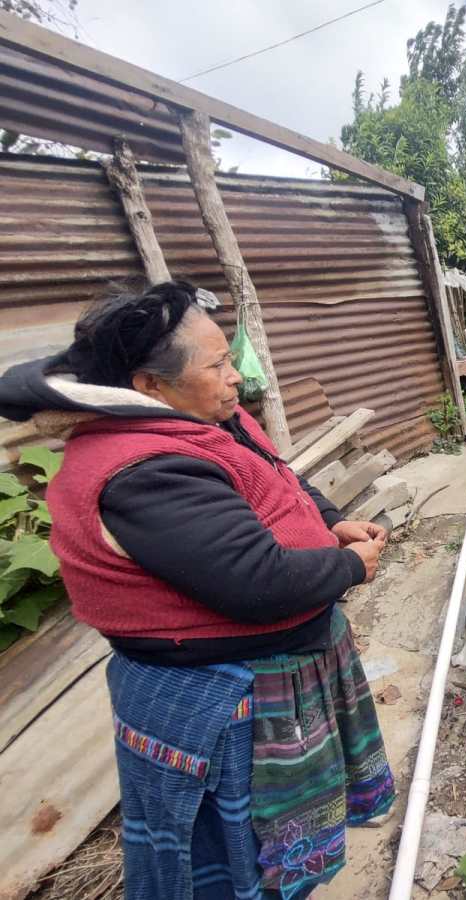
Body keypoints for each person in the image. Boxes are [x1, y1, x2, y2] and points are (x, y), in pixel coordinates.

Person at [0, 280, 395, 900]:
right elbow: (257, 583)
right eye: (217, 364)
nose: (236, 375)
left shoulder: (206, 418)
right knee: (236, 864)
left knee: (284, 850)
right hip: (223, 698)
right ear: (148, 385)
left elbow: (277, 475)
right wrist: (351, 567)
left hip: (276, 674)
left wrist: (328, 521)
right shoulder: (143, 471)